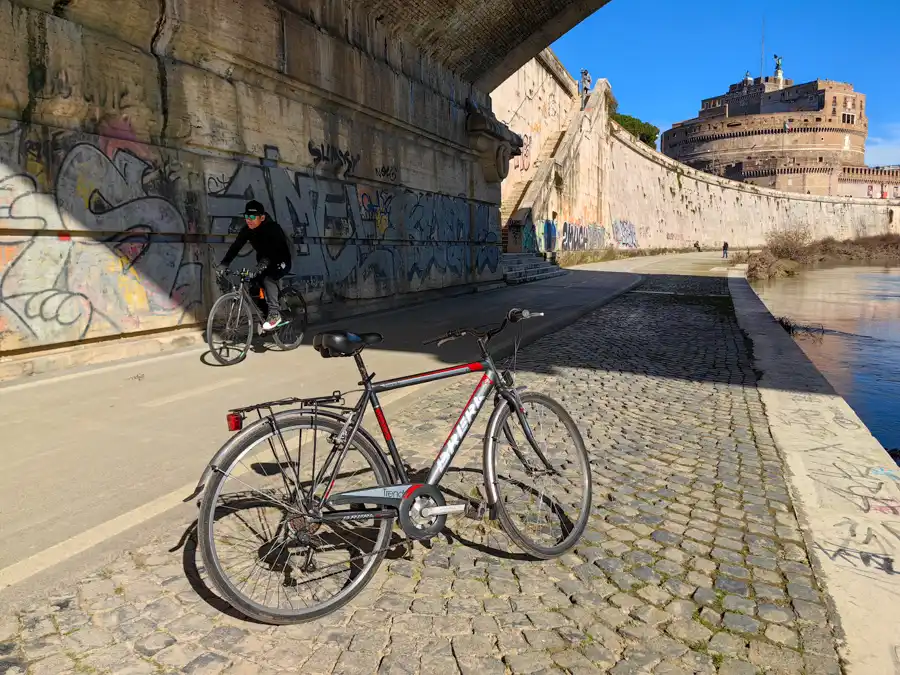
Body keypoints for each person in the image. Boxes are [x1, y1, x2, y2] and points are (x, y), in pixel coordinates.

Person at [216, 200, 293, 331]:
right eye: (246, 217)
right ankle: (265, 316)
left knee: (268, 278)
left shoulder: (273, 228)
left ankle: (274, 313)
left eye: (252, 217)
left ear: (262, 217)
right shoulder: (247, 230)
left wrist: (262, 266)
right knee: (253, 286)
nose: (248, 220)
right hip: (263, 261)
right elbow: (236, 247)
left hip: (281, 260)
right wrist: (224, 264)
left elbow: (275, 249)